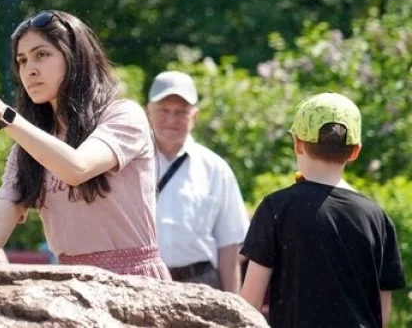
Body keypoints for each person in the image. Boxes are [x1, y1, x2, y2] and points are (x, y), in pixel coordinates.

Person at [0, 10, 168, 279]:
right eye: (22, 60)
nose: (30, 69)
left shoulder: (123, 115)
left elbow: (77, 168)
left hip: (134, 279)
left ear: (74, 58)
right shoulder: (27, 147)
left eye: (42, 54)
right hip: (71, 282)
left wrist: (3, 114)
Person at [241, 93, 405, 327]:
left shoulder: (276, 208)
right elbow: (382, 313)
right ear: (355, 151)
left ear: (297, 143)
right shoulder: (377, 218)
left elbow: (249, 304)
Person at [147, 70, 249, 291]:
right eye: (164, 110)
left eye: (181, 112)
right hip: (144, 283)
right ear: (149, 112)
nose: (171, 119)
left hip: (201, 283)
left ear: (195, 116)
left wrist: (234, 302)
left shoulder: (215, 168)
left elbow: (229, 246)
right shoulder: (130, 163)